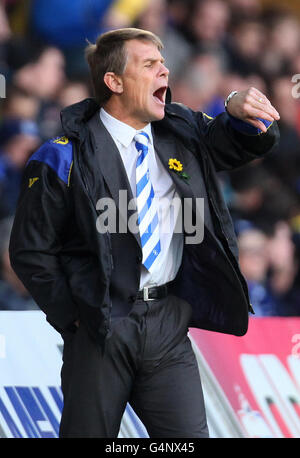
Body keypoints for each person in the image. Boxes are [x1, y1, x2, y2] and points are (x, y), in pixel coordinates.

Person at [9, 28, 280, 438]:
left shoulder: (182, 130)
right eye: (149, 64)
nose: (164, 70)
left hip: (168, 323)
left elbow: (241, 142)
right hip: (100, 326)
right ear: (114, 81)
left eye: (163, 62)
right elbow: (31, 251)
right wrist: (73, 315)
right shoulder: (61, 155)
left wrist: (236, 107)